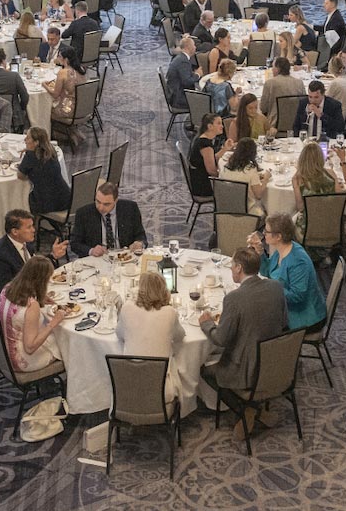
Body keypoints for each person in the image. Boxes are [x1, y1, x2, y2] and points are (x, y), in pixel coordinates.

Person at [198, 246, 289, 442]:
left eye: (232, 265)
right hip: (277, 363)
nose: (231, 269)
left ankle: (247, 410)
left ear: (239, 268)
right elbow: (284, 323)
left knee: (203, 370)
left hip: (247, 370)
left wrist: (206, 324)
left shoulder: (234, 299)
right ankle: (257, 410)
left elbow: (221, 339)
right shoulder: (276, 287)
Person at [118, 268, 187, 405]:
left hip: (129, 387)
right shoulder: (170, 312)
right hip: (161, 390)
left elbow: (119, 335)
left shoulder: (126, 308)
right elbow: (180, 336)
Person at [0, 211, 68, 315]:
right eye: (29, 227)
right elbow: (6, 291)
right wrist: (36, 297)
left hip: (27, 293)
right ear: (15, 231)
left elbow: (33, 269)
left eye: (32, 226)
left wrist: (53, 256)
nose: (34, 230)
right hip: (10, 305)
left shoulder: (26, 243)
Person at [253, 214, 325, 329]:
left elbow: (298, 295)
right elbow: (267, 271)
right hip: (287, 307)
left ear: (278, 236)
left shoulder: (298, 261)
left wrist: (271, 288)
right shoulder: (281, 250)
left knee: (259, 324)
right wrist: (260, 252)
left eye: (267, 231)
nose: (264, 233)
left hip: (306, 319)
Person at [0, 254, 68, 373]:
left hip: (3, 351)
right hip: (23, 360)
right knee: (67, 343)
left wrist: (40, 298)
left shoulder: (8, 288)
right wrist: (54, 323)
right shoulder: (31, 306)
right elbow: (30, 348)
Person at [71, 180, 146, 258]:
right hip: (98, 258)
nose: (101, 207)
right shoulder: (84, 213)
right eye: (98, 202)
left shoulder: (130, 208)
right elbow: (74, 243)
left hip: (124, 257)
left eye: (106, 204)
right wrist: (91, 250)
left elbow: (140, 235)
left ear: (116, 200)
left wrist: (139, 243)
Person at [18, 127, 71, 216]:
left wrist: (26, 159)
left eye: (28, 138)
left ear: (36, 142)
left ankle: (31, 221)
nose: (25, 140)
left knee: (25, 199)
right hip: (65, 198)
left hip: (48, 203)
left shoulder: (30, 156)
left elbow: (20, 175)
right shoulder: (51, 151)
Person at [219, 138, 271, 216]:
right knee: (268, 210)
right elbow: (258, 195)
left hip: (224, 210)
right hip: (246, 213)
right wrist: (266, 179)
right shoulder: (250, 169)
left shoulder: (225, 166)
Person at [188, 112, 223, 202]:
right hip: (204, 186)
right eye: (219, 123)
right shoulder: (205, 145)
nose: (222, 126)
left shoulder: (202, 139)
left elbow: (212, 158)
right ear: (210, 126)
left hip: (199, 180)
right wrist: (225, 177)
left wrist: (226, 148)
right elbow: (211, 171)